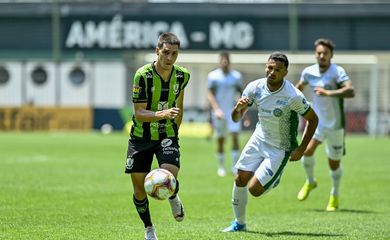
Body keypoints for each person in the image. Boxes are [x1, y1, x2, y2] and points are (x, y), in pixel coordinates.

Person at [222, 52, 318, 232]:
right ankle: (239, 224)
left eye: (277, 70)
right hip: (259, 138)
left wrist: (302, 148)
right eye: (270, 68)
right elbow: (235, 119)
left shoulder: (293, 96)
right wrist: (238, 108)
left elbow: (313, 119)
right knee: (240, 178)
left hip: (280, 148)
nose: (272, 72)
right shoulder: (254, 87)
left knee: (254, 190)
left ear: (285, 73)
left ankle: (275, 177)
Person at [124, 32, 189, 240]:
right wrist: (163, 114)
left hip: (166, 135)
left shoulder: (182, 75)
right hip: (141, 138)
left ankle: (173, 196)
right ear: (157, 51)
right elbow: (139, 114)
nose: (170, 58)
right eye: (166, 53)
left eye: (174, 54)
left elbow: (179, 107)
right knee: (139, 191)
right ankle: (149, 228)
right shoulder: (142, 75)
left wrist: (175, 132)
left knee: (169, 176)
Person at [295, 38, 355, 211]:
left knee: (333, 164)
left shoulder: (337, 72)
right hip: (317, 123)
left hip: (335, 126)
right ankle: (310, 181)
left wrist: (329, 92)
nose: (321, 56)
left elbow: (350, 91)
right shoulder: (309, 72)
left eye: (325, 53)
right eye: (319, 53)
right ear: (315, 54)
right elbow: (298, 88)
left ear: (331, 55)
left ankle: (334, 195)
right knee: (306, 152)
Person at [207, 52, 244, 176]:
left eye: (226, 60)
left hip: (232, 111)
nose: (224, 62)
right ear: (219, 61)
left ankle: (234, 166)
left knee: (234, 136)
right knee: (221, 140)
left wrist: (242, 110)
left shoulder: (236, 76)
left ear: (229, 61)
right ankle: (221, 167)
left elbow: (241, 93)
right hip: (219, 112)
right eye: (222, 60)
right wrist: (216, 109)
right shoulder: (213, 76)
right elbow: (210, 94)